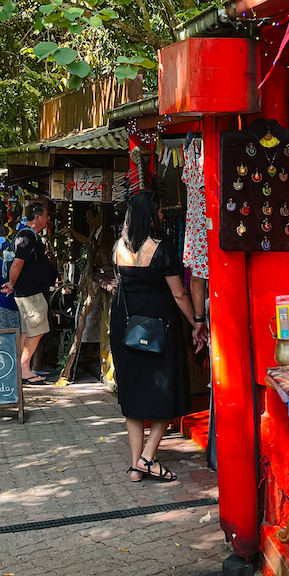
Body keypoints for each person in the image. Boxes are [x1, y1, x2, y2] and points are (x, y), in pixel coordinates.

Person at [110, 190, 198, 483]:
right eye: (160, 212)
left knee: (133, 393)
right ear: (149, 217)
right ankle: (147, 457)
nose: (163, 216)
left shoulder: (118, 248)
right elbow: (179, 294)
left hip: (126, 327)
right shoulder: (162, 248)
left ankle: (137, 464)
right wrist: (197, 323)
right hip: (160, 327)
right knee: (166, 390)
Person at [0, 201, 55, 384]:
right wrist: (11, 283)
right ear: (37, 217)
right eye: (46, 215)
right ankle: (24, 368)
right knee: (37, 330)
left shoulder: (29, 235)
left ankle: (22, 367)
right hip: (30, 292)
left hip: (30, 291)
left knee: (28, 330)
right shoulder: (27, 236)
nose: (48, 219)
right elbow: (17, 263)